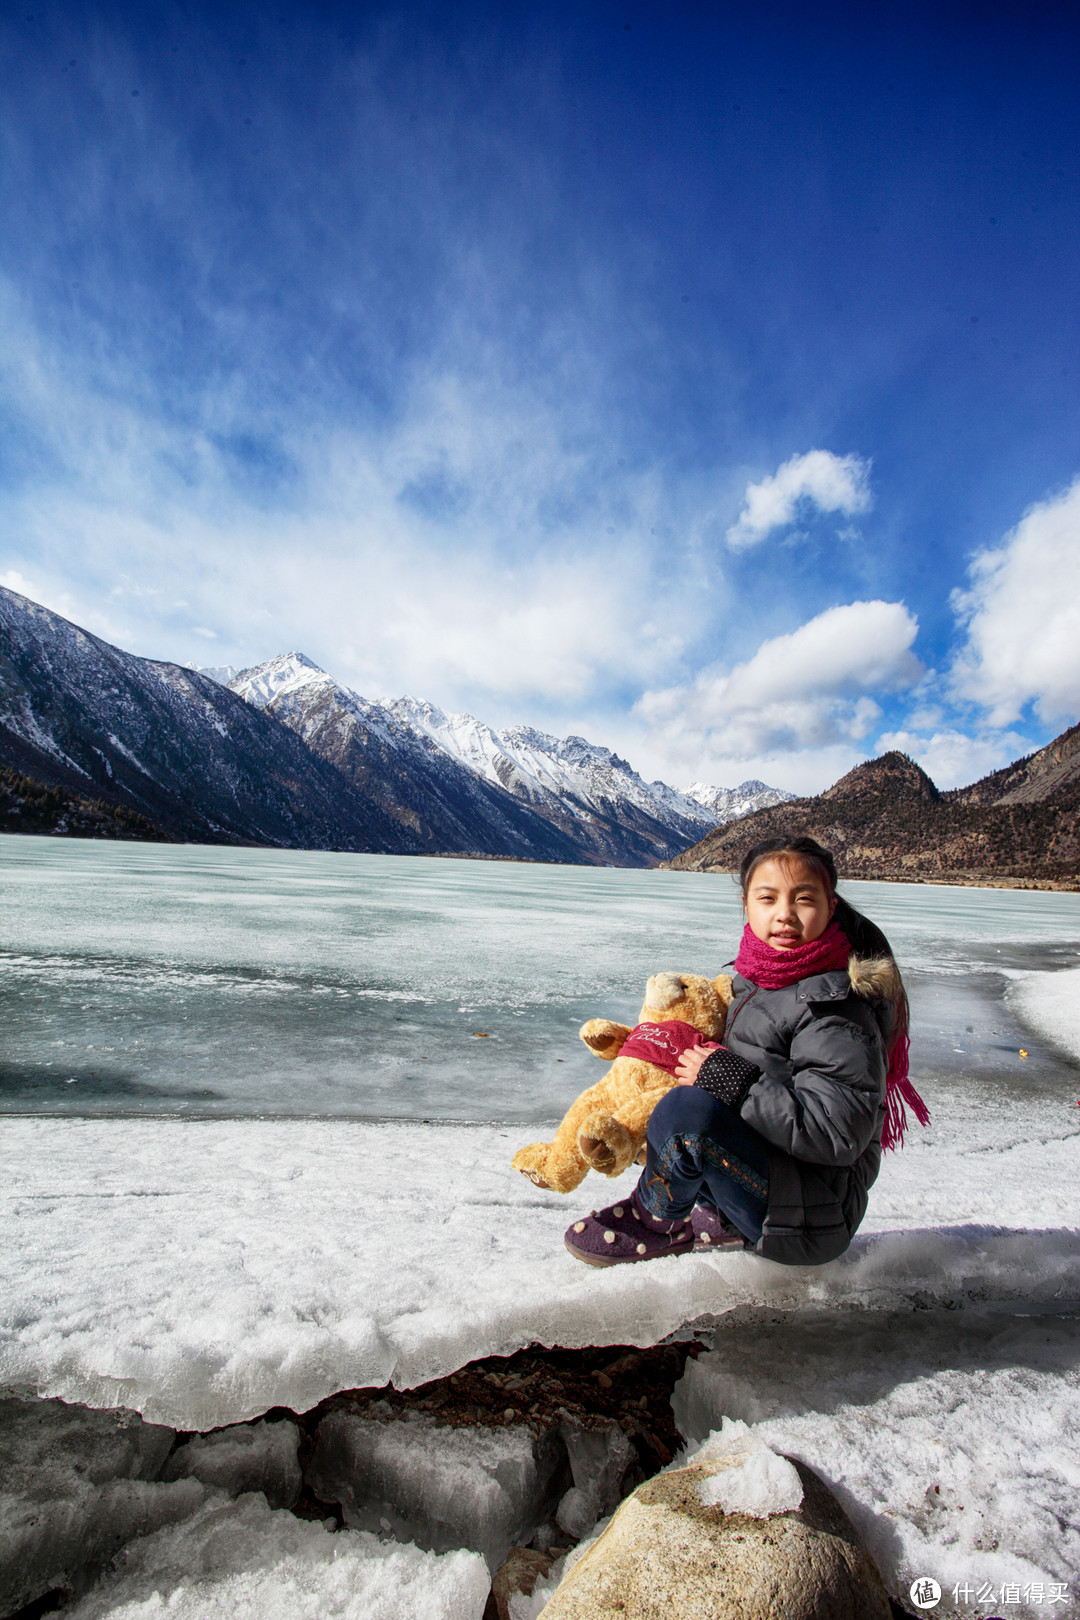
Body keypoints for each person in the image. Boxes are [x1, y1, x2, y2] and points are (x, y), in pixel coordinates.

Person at [563, 834, 928, 1267]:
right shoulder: (756, 982)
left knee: (685, 1113)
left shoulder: (835, 1011)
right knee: (666, 1098)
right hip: (776, 1187)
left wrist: (732, 1081)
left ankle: (657, 1220)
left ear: (830, 908)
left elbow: (838, 1133)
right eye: (768, 898)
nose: (785, 915)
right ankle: (717, 1214)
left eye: (804, 899)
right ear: (746, 905)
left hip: (809, 1218)